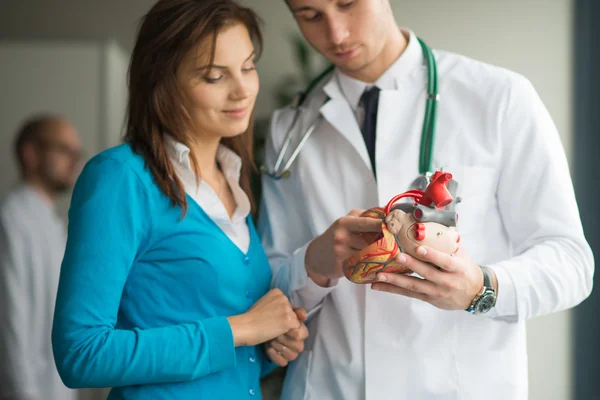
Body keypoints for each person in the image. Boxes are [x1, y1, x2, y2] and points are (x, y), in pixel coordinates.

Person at [258, 0, 595, 399]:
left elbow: (571, 262)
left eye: (347, 4)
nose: (335, 33)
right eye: (309, 15)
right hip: (332, 385)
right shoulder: (291, 127)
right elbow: (271, 282)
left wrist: (481, 288)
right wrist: (312, 264)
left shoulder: (500, 97)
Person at [51, 1, 307, 399]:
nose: (242, 89)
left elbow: (221, 344)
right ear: (163, 82)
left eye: (248, 66)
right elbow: (81, 353)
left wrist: (270, 347)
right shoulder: (122, 179)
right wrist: (241, 328)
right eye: (214, 76)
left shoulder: (234, 180)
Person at [0, 115, 81, 400]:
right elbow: (11, 321)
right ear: (31, 153)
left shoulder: (53, 225)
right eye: (63, 150)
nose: (74, 161)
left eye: (76, 153)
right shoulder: (10, 221)